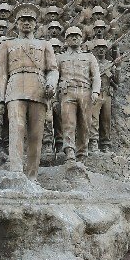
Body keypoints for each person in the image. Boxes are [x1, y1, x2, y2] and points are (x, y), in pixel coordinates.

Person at [0, 3, 59, 180]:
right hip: (14, 89)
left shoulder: (45, 45)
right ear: (16, 23)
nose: (26, 23)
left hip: (38, 90)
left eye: (30, 20)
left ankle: (32, 177)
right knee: (16, 129)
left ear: (36, 24)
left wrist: (51, 84)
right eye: (23, 20)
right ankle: (16, 172)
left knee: (36, 135)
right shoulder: (7, 45)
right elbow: (1, 73)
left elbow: (53, 69)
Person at [56, 26, 100, 162]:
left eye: (77, 36)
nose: (74, 38)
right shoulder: (60, 58)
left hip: (85, 92)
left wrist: (95, 91)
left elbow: (96, 77)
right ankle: (69, 150)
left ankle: (82, 152)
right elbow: (54, 76)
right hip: (67, 92)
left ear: (81, 39)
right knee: (68, 122)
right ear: (66, 39)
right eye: (71, 36)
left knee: (85, 124)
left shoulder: (89, 57)